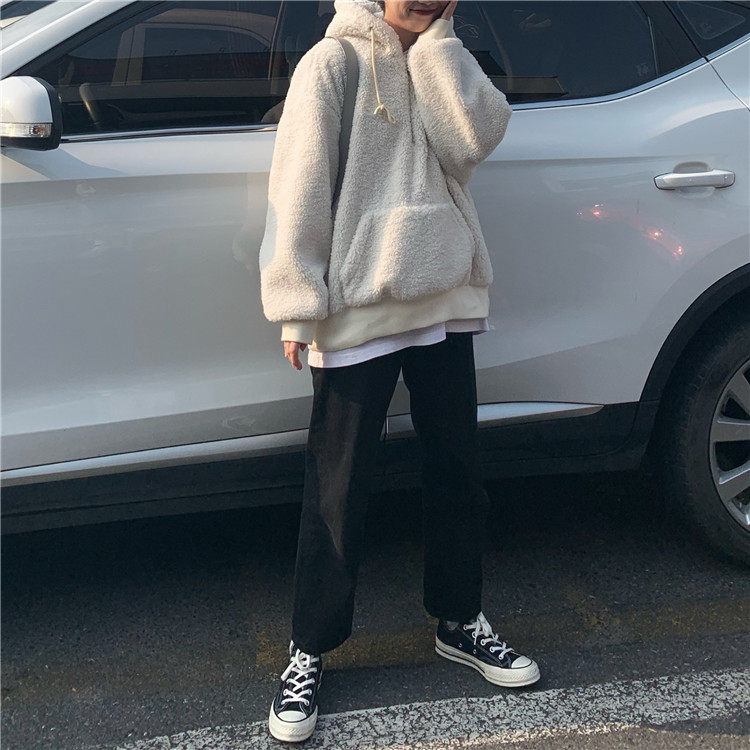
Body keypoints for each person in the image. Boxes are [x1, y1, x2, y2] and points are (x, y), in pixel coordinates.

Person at [258, 0, 539, 742]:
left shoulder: (447, 57)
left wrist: (437, 48)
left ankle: (459, 618)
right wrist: (296, 302)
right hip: (358, 305)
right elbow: (298, 184)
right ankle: (310, 647)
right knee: (339, 483)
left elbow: (472, 142)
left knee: (457, 469)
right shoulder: (333, 63)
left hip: (445, 293)